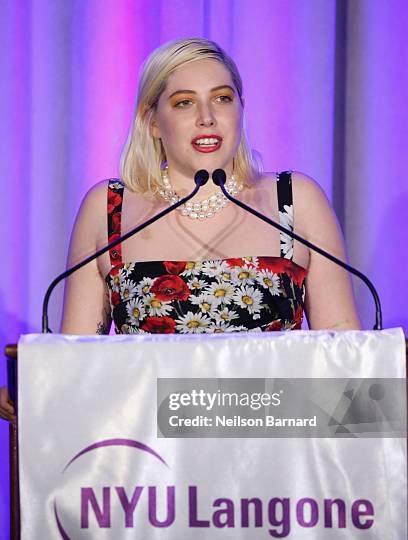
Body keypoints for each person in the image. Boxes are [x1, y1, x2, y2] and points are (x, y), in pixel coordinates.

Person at [0, 37, 360, 414]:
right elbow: (76, 362)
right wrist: (37, 391)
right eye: (184, 102)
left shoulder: (295, 199)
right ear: (151, 121)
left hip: (275, 448)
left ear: (241, 108)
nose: (207, 116)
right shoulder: (109, 208)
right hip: (149, 461)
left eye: (222, 98)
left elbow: (346, 351)